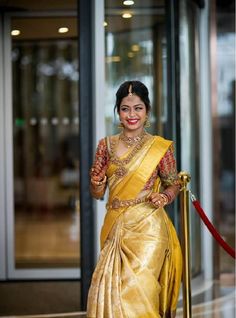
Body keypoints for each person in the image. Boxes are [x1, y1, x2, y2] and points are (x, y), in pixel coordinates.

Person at [87, 81, 182, 318]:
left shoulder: (159, 147)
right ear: (118, 111)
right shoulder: (105, 146)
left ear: (147, 110)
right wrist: (96, 184)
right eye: (125, 108)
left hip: (149, 227)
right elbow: (97, 194)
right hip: (116, 226)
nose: (132, 115)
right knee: (112, 290)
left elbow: (174, 183)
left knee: (140, 289)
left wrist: (166, 196)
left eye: (138, 108)